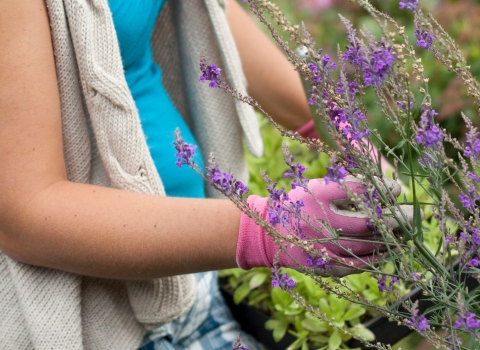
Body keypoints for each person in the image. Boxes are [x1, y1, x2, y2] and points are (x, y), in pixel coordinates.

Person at [0, 0, 407, 349]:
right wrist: (270, 230)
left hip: (192, 281)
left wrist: (328, 127)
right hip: (95, 321)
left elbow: (207, 12)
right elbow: (24, 214)